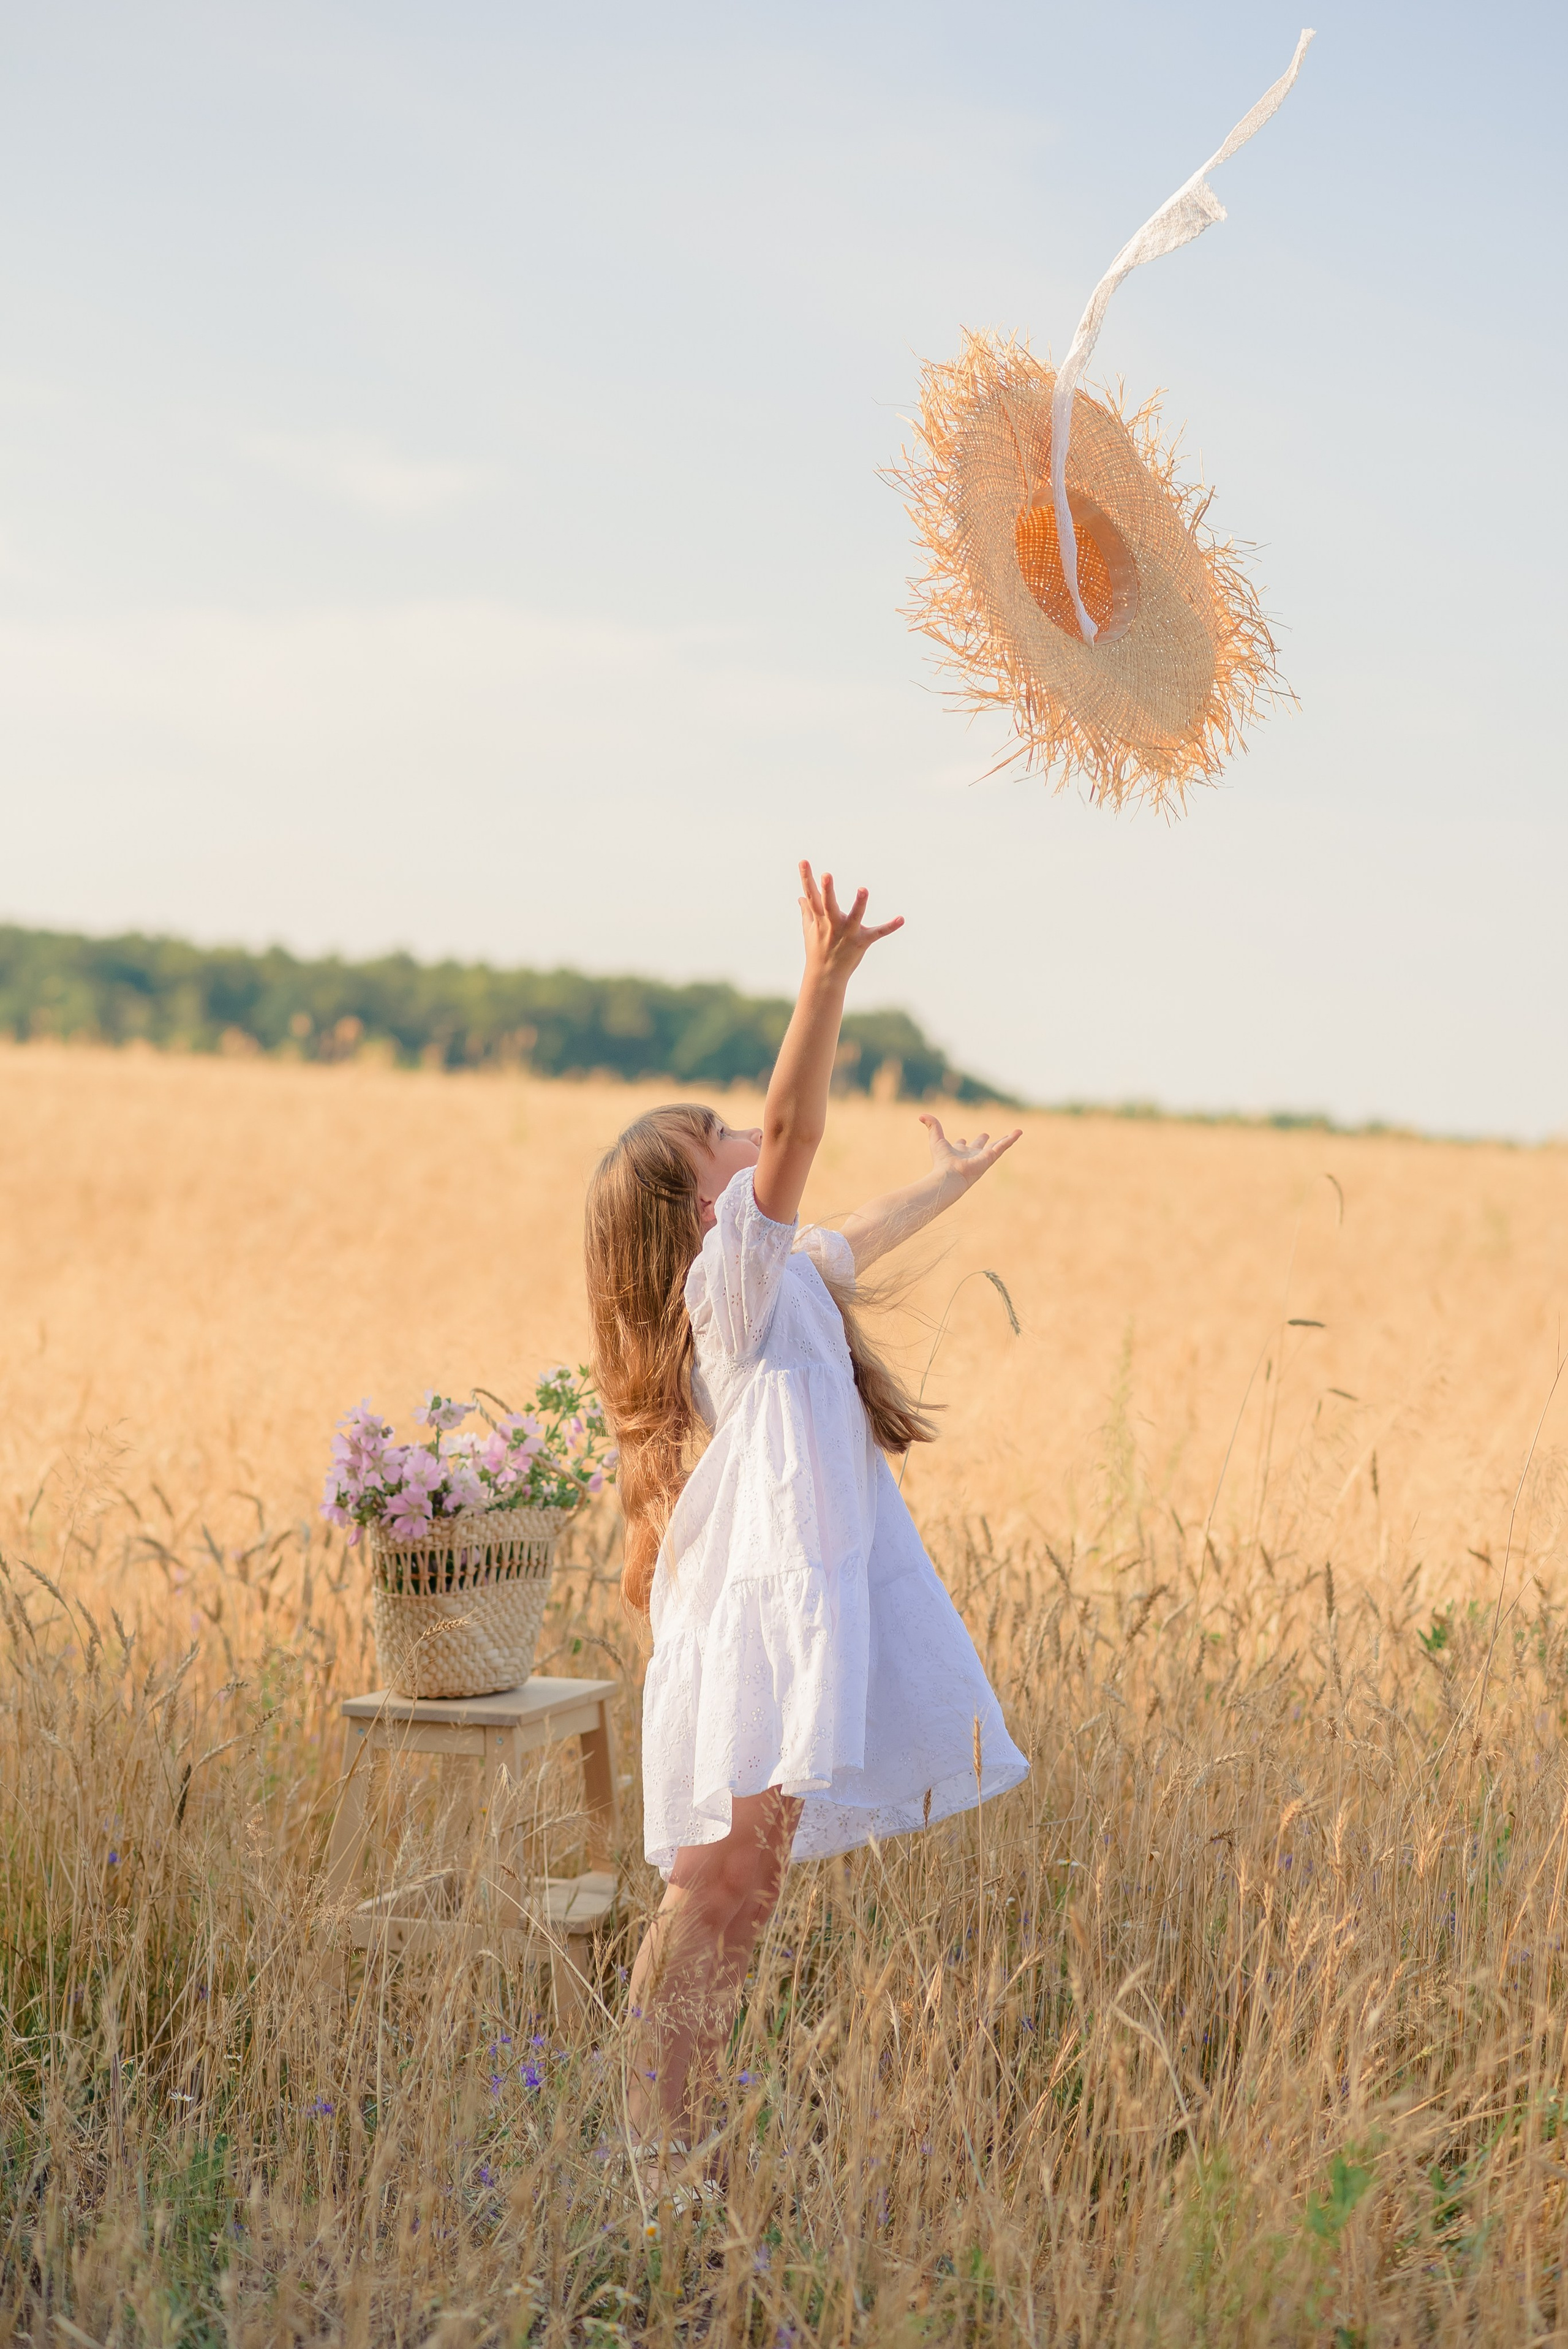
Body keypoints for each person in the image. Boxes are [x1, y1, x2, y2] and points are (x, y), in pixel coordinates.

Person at [583, 862, 1028, 2158]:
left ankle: (680, 2113)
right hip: (759, 1609)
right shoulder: (720, 1287)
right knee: (713, 1882)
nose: (740, 1137)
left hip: (801, 1598)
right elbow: (793, 1138)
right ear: (696, 1211)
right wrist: (824, 979)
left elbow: (852, 1231)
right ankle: (648, 2135)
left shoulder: (782, 1283)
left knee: (749, 1881)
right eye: (710, 1138)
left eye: (723, 1124)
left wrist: (948, 1184)